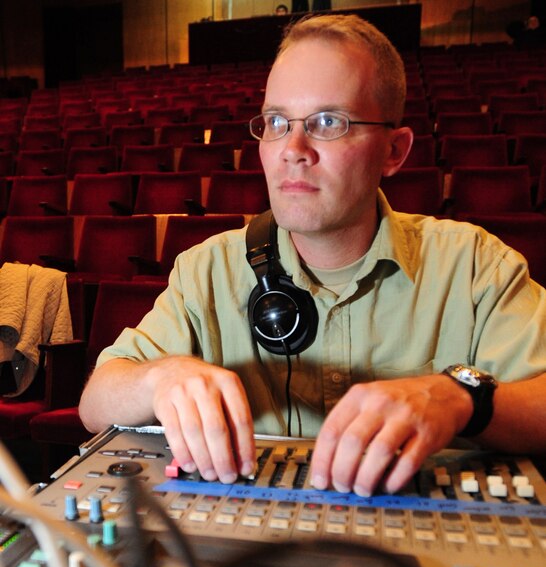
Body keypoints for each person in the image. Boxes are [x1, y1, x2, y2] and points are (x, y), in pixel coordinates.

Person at [79, 13, 546, 499]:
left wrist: (460, 397)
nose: (292, 149)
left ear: (394, 150)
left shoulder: (474, 265)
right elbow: (97, 402)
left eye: (328, 122)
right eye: (277, 122)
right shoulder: (207, 269)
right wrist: (160, 378)